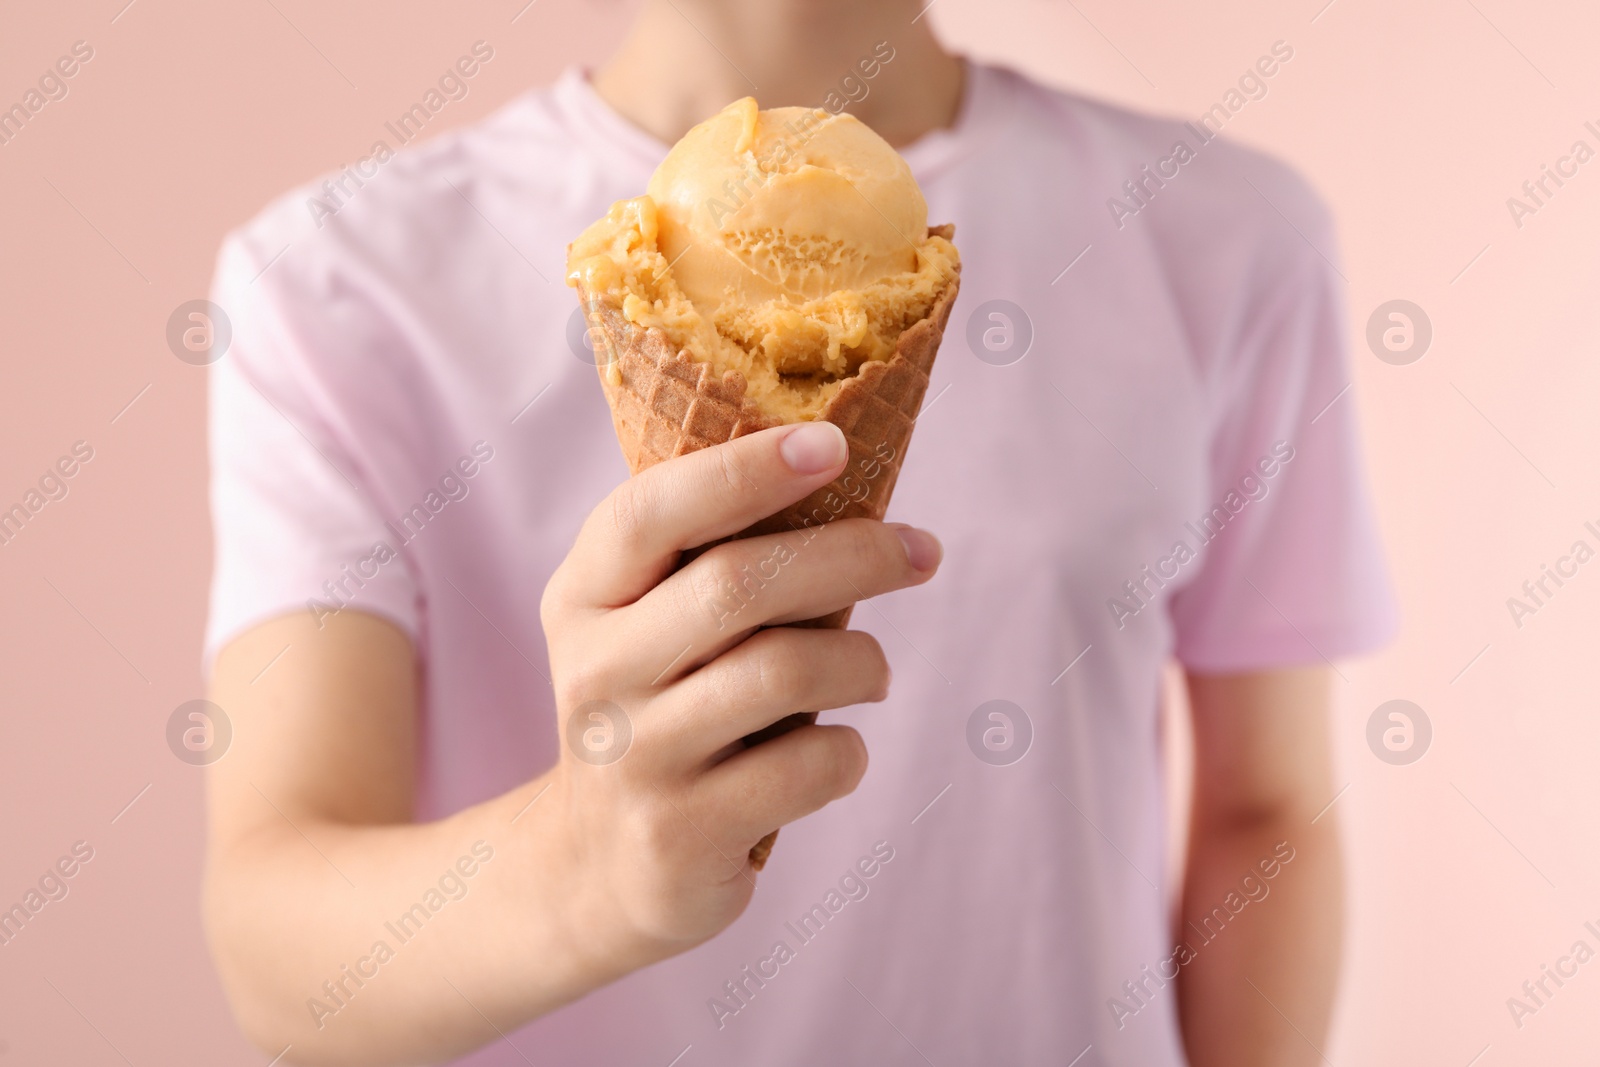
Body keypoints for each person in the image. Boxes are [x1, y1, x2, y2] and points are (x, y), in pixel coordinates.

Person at [200, 0, 1395, 1064]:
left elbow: (1266, 811)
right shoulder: (335, 282)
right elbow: (276, 952)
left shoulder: (1234, 238)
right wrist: (584, 872)